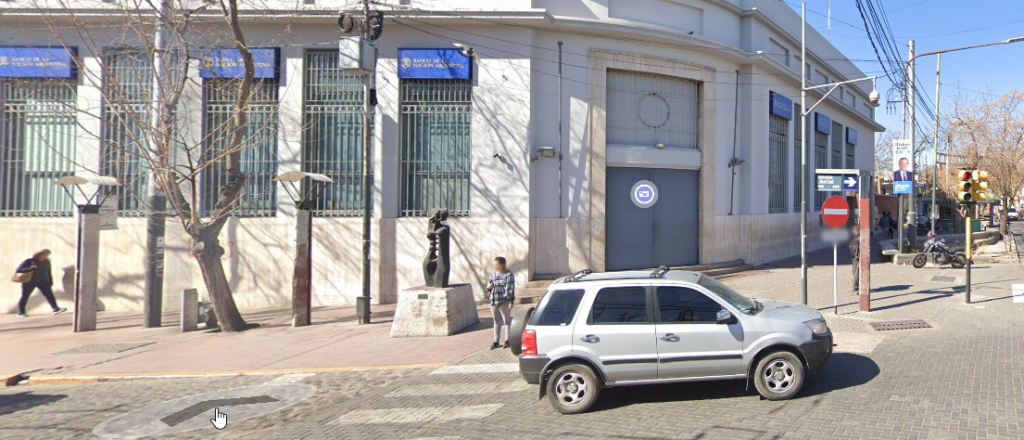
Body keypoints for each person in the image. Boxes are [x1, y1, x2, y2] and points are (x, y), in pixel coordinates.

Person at [15, 249, 66, 317]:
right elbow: (19, 270)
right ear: (40, 254)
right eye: (45, 255)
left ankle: (55, 308)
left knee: (49, 295)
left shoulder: (47, 262)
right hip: (29, 282)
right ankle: (21, 312)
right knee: (25, 296)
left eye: (48, 255)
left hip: (43, 282)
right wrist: (30, 268)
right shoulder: (29, 261)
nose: (46, 256)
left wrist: (50, 281)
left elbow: (48, 272)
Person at [486, 257, 515, 350]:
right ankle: (496, 341)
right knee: (496, 321)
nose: (495, 266)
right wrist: (489, 287)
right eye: (495, 264)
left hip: (504, 301)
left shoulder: (508, 274)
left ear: (502, 265)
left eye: (497, 264)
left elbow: (510, 287)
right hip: (494, 300)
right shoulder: (493, 274)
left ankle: (507, 340)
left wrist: (510, 300)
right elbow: (489, 285)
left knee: (506, 321)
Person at [849, 226, 860, 295]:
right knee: (854, 271)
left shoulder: (858, 238)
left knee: (856, 271)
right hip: (854, 256)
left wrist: (857, 255)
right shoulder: (855, 237)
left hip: (856, 257)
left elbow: (855, 247)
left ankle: (856, 286)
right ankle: (856, 285)